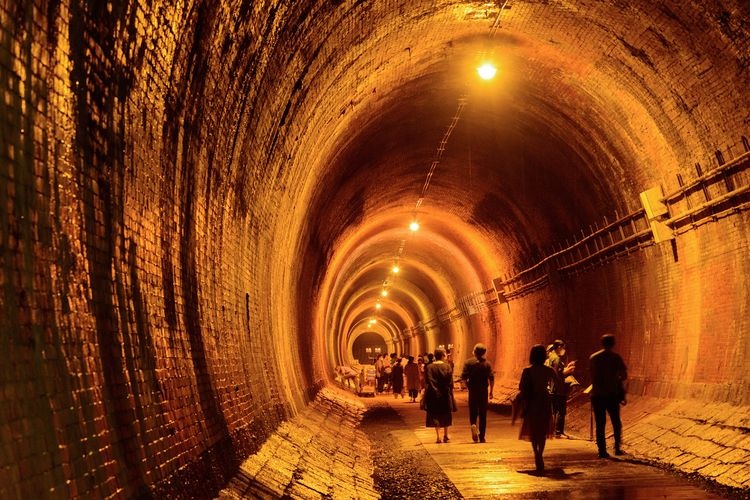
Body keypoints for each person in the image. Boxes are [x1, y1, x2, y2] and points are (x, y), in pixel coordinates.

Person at [518, 344, 559, 472]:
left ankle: (536, 453)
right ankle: (540, 453)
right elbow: (557, 385)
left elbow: (521, 387)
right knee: (542, 430)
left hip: (532, 401)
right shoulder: (549, 370)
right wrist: (550, 391)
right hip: (545, 401)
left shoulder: (527, 371)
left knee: (533, 429)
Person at [589, 333, 628, 458]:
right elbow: (624, 375)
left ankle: (602, 450)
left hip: (597, 395)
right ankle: (617, 448)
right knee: (616, 422)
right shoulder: (616, 358)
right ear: (613, 343)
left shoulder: (594, 358)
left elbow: (592, 375)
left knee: (600, 423)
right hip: (612, 394)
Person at [460, 343, 495, 443]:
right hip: (483, 391)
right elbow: (491, 378)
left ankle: (473, 425)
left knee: (473, 411)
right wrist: (491, 391)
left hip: (473, 391)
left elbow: (463, 377)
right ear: (484, 352)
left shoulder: (468, 363)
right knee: (483, 414)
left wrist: (467, 387)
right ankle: (482, 437)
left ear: (474, 351)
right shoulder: (487, 364)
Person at [546, 340, 576, 438]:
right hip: (559, 389)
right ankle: (558, 432)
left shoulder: (552, 357)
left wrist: (566, 367)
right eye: (563, 347)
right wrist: (569, 371)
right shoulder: (556, 359)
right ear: (559, 347)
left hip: (554, 388)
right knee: (561, 411)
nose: (564, 350)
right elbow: (558, 375)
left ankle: (557, 431)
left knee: (556, 410)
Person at [424, 348, 454, 444]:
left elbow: (427, 381)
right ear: (442, 356)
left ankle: (438, 437)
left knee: (435, 414)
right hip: (445, 394)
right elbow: (450, 381)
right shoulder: (447, 366)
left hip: (433, 395)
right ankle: (445, 435)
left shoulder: (429, 367)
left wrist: (433, 390)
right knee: (446, 413)